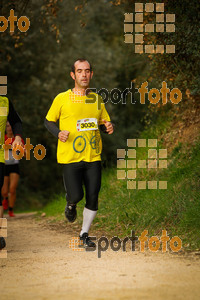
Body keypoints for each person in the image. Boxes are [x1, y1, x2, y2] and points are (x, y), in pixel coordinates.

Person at [45, 58, 114, 247]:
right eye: (80, 71)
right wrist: (58, 133)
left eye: (87, 71)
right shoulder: (62, 98)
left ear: (91, 74)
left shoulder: (97, 99)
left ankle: (84, 233)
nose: (84, 74)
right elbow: (48, 121)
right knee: (76, 195)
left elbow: (101, 123)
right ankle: (71, 204)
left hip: (93, 156)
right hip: (70, 157)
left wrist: (108, 126)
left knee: (93, 195)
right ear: (72, 75)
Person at [0, 96, 23, 250]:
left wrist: (18, 138)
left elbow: (16, 121)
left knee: (6, 191)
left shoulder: (4, 101)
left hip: (5, 162)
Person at [1, 121, 24, 217]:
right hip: (4, 166)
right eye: (7, 126)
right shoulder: (3, 138)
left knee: (12, 189)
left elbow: (25, 153)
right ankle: (5, 199)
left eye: (10, 126)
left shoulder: (18, 139)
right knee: (4, 191)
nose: (9, 128)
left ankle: (11, 209)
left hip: (14, 166)